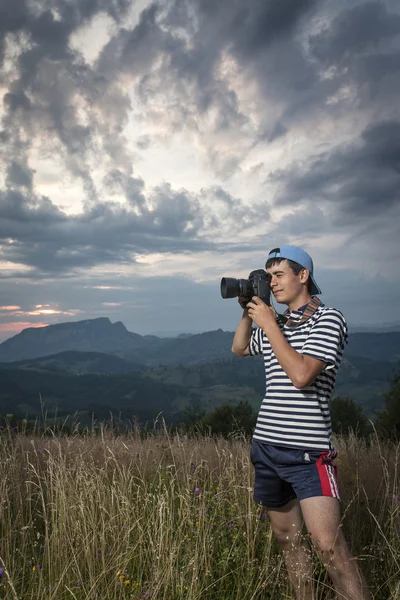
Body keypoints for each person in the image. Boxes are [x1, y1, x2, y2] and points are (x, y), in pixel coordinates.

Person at [232, 245, 371, 600]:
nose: (273, 283)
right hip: (266, 447)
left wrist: (269, 323)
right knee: (288, 542)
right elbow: (240, 347)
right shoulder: (277, 324)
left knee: (329, 547)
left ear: (303, 276)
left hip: (309, 452)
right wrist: (250, 311)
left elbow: (301, 374)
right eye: (268, 277)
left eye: (278, 275)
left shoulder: (329, 319)